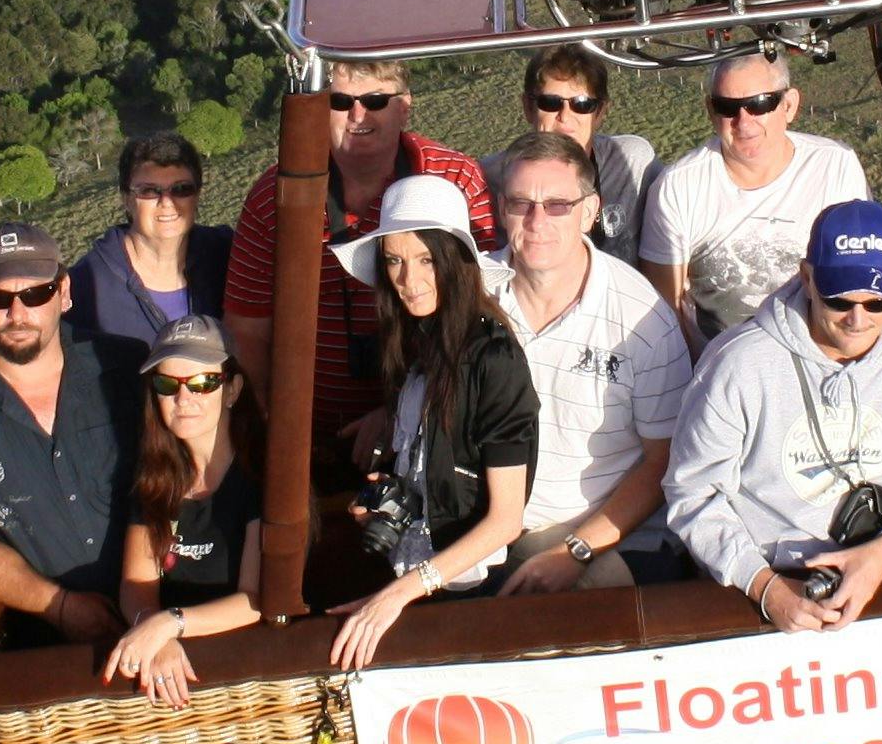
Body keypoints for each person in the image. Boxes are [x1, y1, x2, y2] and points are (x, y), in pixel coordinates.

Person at [666, 202, 882, 634]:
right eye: (838, 299)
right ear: (806, 278)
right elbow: (693, 493)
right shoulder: (738, 365)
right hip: (759, 584)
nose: (858, 319)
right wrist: (765, 587)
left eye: (879, 301)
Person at [224, 54, 495, 446]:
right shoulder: (276, 196)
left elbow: (478, 312)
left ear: (404, 108)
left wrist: (402, 412)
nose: (357, 115)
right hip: (305, 433)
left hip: (430, 424)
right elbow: (247, 328)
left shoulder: (454, 180)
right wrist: (271, 427)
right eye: (339, 102)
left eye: (376, 101)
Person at [326, 175, 534, 669]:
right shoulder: (416, 347)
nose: (408, 280)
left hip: (466, 591)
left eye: (425, 260)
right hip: (412, 577)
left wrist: (397, 595)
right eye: (394, 261)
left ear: (455, 263)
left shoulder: (495, 360)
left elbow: (506, 520)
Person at [0, 222, 145, 647]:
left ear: (64, 292)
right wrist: (61, 607)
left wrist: (153, 604)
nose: (18, 314)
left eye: (36, 294)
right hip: (49, 643)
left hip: (162, 607)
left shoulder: (128, 368)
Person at [482, 133, 690, 591]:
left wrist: (575, 550)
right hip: (493, 522)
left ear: (590, 211)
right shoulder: (474, 295)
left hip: (609, 531)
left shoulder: (642, 319)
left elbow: (664, 460)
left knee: (564, 610)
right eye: (521, 203)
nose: (538, 220)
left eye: (558, 204)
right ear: (501, 209)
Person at [637, 47, 869, 344]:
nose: (744, 123)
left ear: (789, 105)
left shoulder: (835, 166)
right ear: (711, 111)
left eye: (760, 104)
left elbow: (861, 278)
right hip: (719, 368)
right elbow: (664, 311)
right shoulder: (679, 188)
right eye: (727, 107)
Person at [101, 315, 266, 707]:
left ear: (232, 390)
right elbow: (135, 586)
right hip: (175, 686)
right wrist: (153, 633)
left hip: (249, 678)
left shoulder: (261, 478)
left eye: (203, 383)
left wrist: (170, 623)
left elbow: (256, 599)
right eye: (166, 384)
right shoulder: (154, 483)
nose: (184, 398)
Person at [483, 44, 654, 258]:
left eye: (582, 104)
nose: (565, 116)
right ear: (528, 107)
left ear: (600, 112)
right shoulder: (488, 179)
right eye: (550, 103)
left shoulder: (632, 163)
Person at [68, 129, 232, 349]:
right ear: (126, 199)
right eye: (149, 191)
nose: (166, 202)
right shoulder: (86, 283)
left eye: (181, 189)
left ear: (197, 195)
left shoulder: (229, 256)